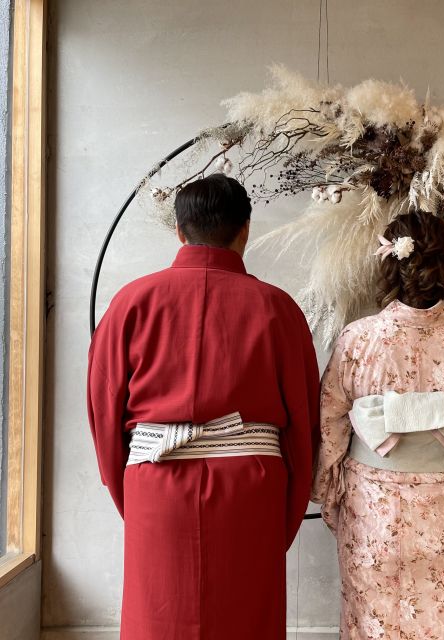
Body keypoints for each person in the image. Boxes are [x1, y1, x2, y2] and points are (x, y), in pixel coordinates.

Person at [87, 173, 320, 640]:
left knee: (158, 619)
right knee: (246, 617)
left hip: (156, 484)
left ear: (179, 230)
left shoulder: (130, 302)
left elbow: (103, 411)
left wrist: (130, 488)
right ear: (245, 230)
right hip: (251, 489)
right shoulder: (278, 308)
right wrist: (286, 509)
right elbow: (304, 423)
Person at [311, 209, 444, 639]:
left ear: (388, 263)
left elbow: (330, 423)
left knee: (373, 619)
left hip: (374, 509)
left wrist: (330, 490)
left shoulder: (358, 339)